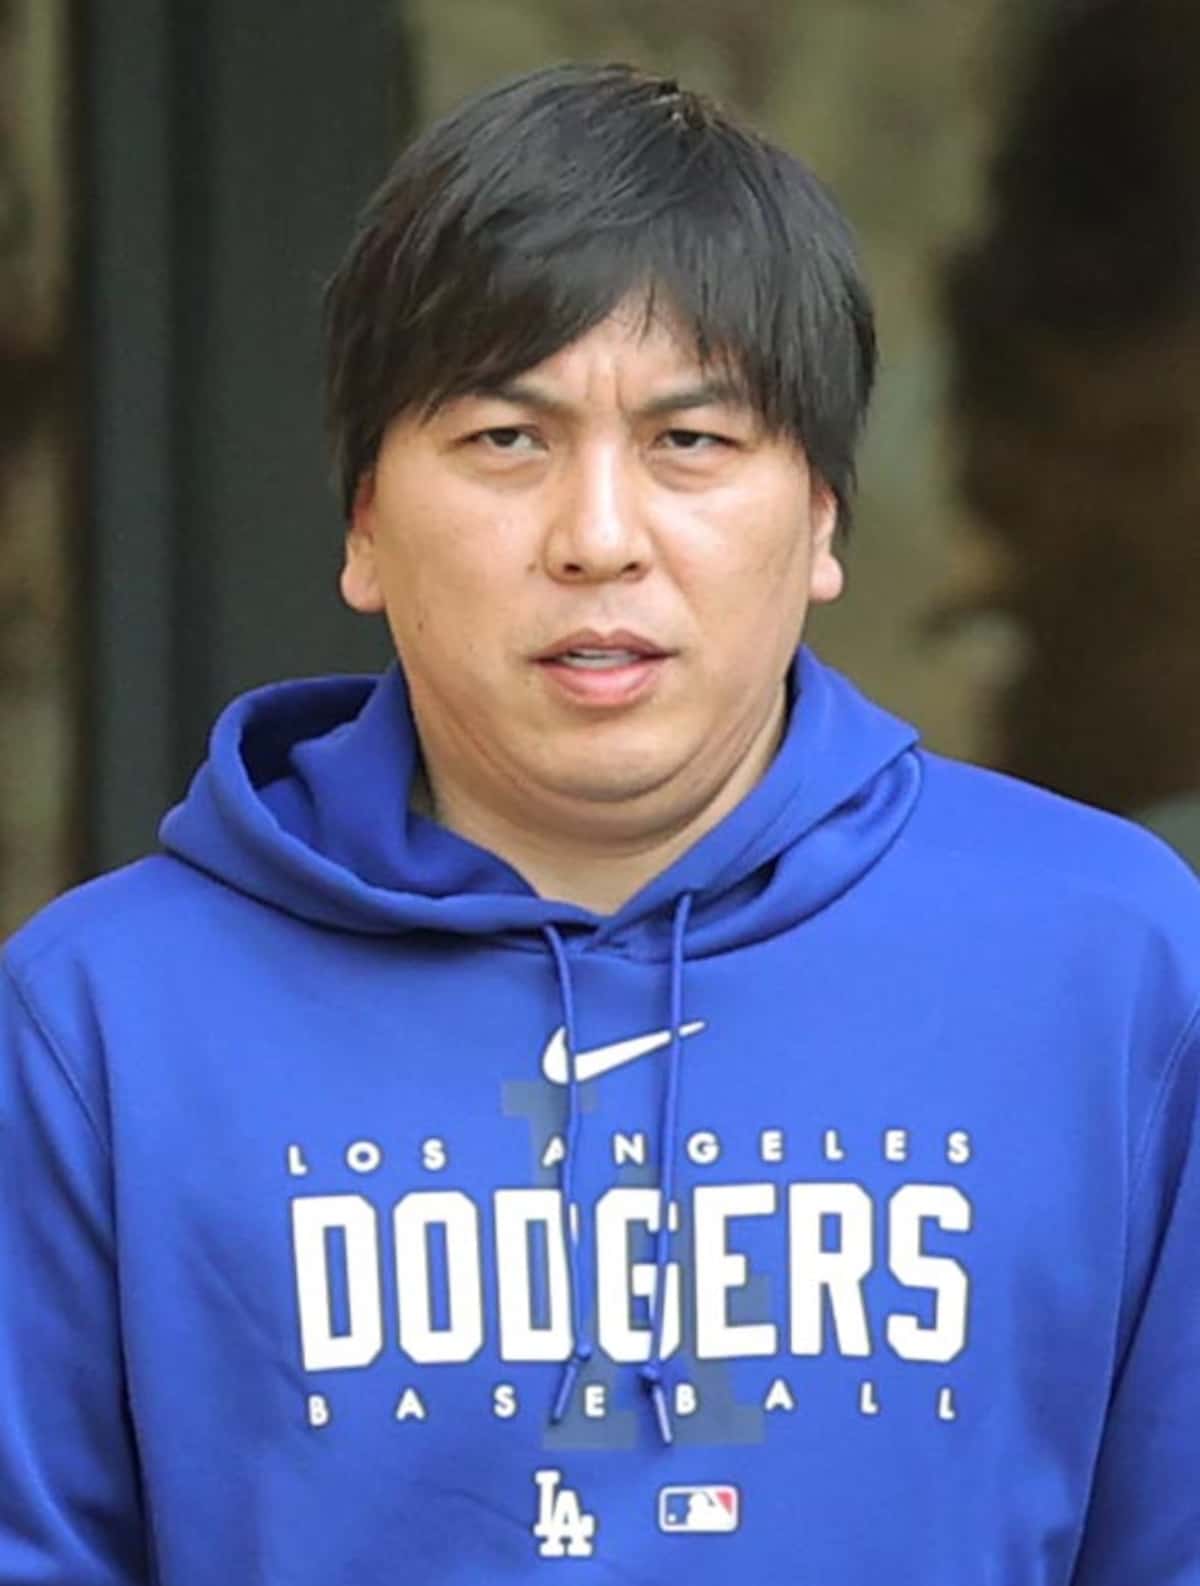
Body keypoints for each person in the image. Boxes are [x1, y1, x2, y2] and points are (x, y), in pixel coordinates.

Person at [1, 61, 1197, 1586]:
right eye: (509, 438)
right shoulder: (105, 1022)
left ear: (822, 518)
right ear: (362, 523)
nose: (600, 538)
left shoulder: (1110, 966)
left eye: (692, 441)